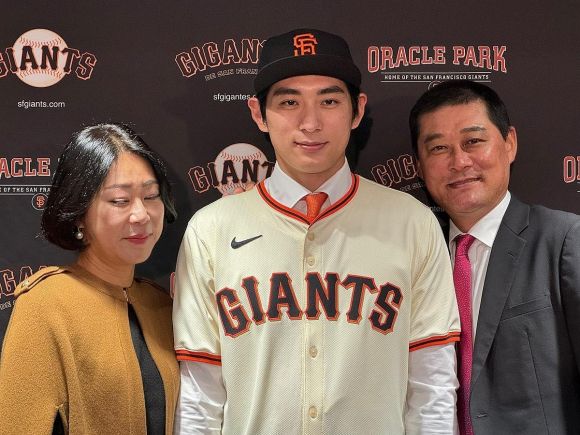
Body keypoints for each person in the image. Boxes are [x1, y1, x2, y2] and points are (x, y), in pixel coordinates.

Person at [173, 28, 460, 434]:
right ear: (258, 113)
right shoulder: (211, 230)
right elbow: (200, 395)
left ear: (357, 110)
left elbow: (431, 386)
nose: (310, 123)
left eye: (329, 101)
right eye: (289, 102)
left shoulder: (412, 222)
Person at [410, 79, 580, 434]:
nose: (459, 162)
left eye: (473, 141)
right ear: (420, 167)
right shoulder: (415, 255)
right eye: (438, 148)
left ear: (509, 143)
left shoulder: (563, 240)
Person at [0, 123, 180, 434]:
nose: (141, 214)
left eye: (151, 196)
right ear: (80, 213)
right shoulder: (45, 305)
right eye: (120, 200)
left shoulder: (161, 305)